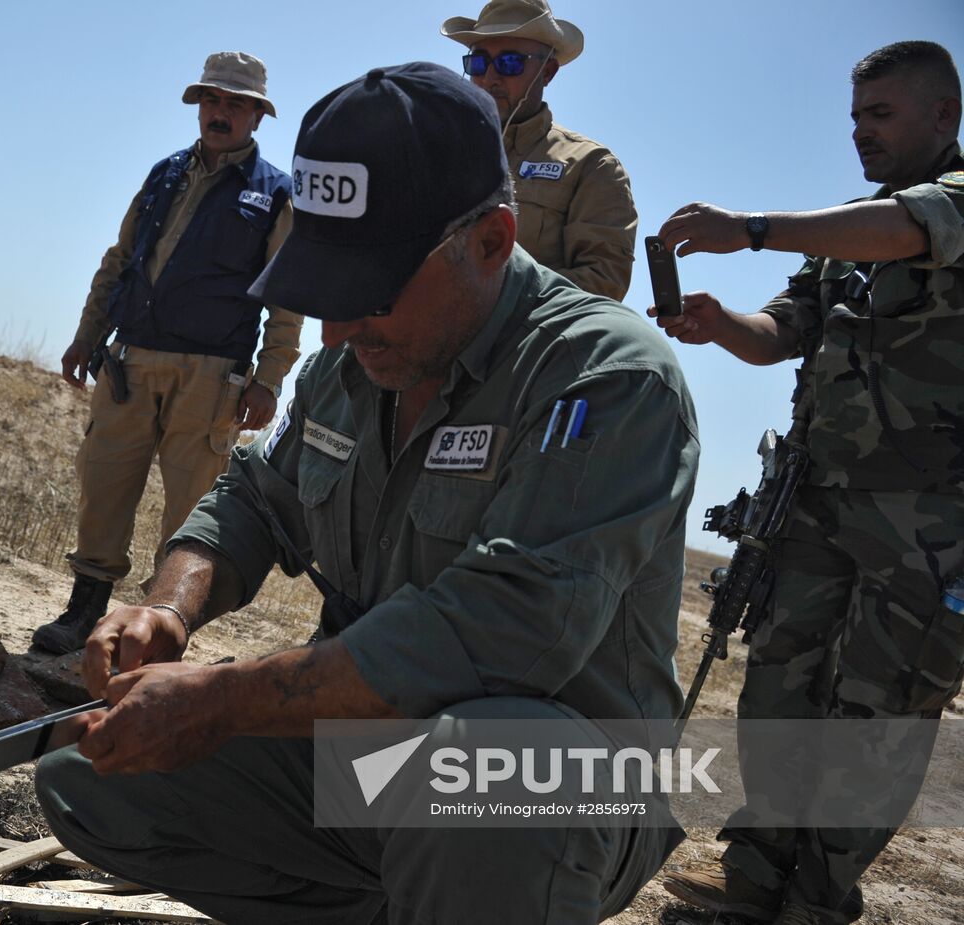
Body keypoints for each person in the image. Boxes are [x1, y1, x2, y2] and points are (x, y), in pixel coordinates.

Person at [35, 62, 699, 923]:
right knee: (94, 779)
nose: (340, 330)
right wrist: (168, 607)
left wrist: (227, 700)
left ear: (492, 241)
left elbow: (504, 635)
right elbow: (249, 499)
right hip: (372, 758)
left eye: (370, 290)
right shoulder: (351, 366)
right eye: (324, 291)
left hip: (560, 786)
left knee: (482, 764)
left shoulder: (607, 375)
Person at [652, 41, 963, 925]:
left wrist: (747, 225)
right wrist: (720, 324)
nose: (861, 133)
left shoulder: (938, 206)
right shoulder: (848, 234)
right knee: (779, 690)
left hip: (930, 522)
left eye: (881, 115)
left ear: (944, 116)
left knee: (879, 714)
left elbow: (908, 230)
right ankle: (754, 881)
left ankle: (816, 902)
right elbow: (785, 327)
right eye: (856, 118)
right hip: (816, 503)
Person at [35, 52, 302, 655]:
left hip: (213, 378)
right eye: (212, 100)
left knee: (192, 510)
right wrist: (86, 335)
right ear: (198, 107)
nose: (221, 112)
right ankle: (83, 613)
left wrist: (269, 380)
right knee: (103, 484)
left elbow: (287, 300)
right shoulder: (163, 175)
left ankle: (159, 632)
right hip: (129, 362)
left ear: (258, 117)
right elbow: (119, 259)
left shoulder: (275, 192)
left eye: (236, 104)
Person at [440, 0, 637, 300]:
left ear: (547, 72)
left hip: (524, 345)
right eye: (479, 63)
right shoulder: (436, 154)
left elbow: (602, 283)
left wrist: (483, 300)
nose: (490, 78)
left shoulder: (591, 166)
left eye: (510, 63)